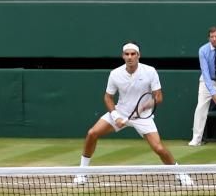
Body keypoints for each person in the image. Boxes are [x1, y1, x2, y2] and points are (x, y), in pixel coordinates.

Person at [74, 42, 192, 186]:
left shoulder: (150, 71)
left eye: (133, 54)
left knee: (159, 148)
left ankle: (180, 174)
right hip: (121, 112)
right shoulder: (115, 74)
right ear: (123, 56)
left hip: (143, 117)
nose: (130, 57)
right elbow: (108, 97)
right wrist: (116, 116)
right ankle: (82, 172)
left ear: (138, 55)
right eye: (127, 54)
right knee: (92, 133)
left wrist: (143, 107)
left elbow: (158, 97)